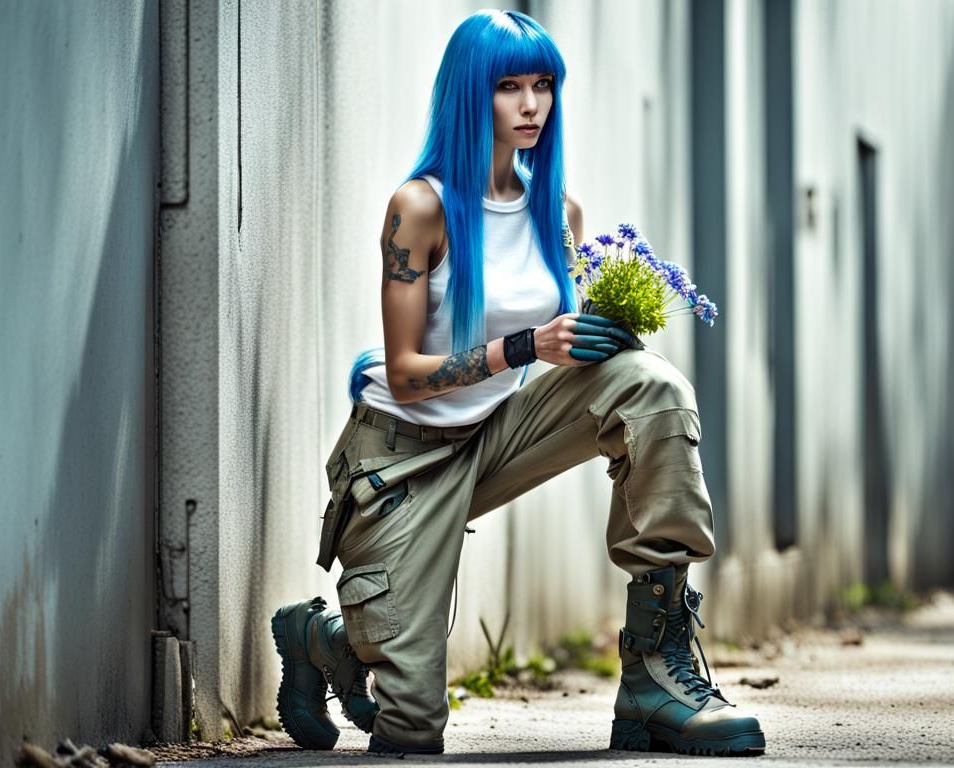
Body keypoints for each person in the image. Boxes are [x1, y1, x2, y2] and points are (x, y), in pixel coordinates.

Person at [270, 9, 765, 758]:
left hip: (496, 431)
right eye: (509, 87)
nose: (531, 104)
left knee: (647, 386)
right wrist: (528, 344)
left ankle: (656, 675)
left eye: (543, 85)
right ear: (474, 94)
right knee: (409, 731)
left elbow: (560, 354)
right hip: (401, 455)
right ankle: (326, 638)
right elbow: (405, 377)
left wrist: (600, 338)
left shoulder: (555, 211)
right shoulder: (420, 208)